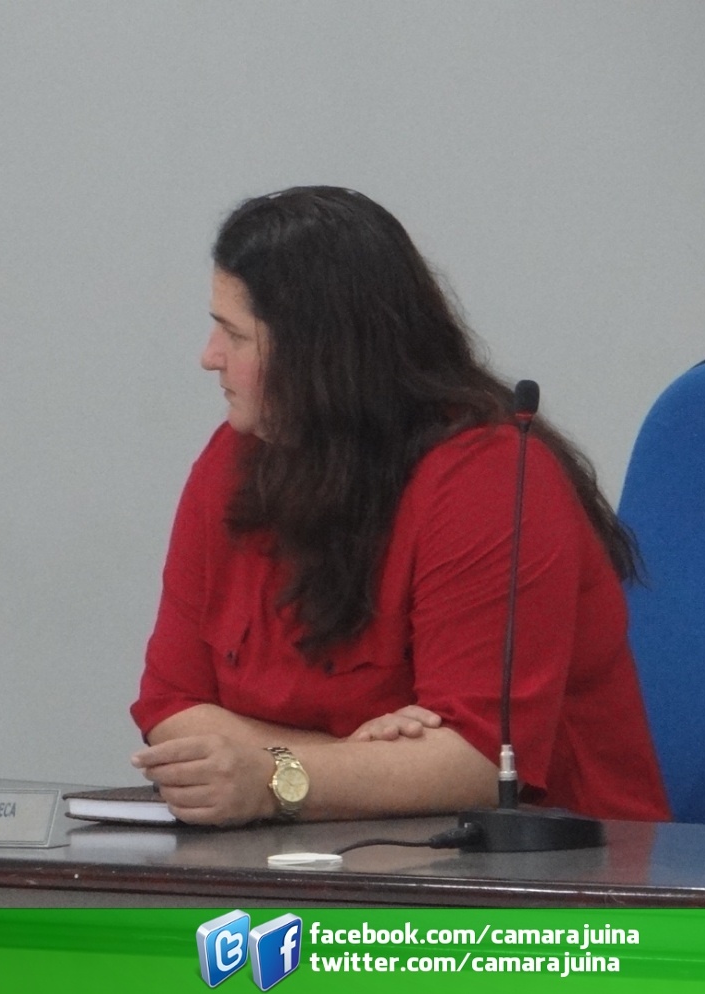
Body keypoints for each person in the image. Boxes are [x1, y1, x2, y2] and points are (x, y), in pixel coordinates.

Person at [130, 186, 669, 826]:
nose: (208, 356)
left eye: (235, 335)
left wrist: (275, 776)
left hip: (556, 867)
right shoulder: (234, 458)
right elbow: (170, 708)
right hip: (325, 852)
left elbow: (480, 764)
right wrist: (348, 766)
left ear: (322, 352)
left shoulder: (489, 478)